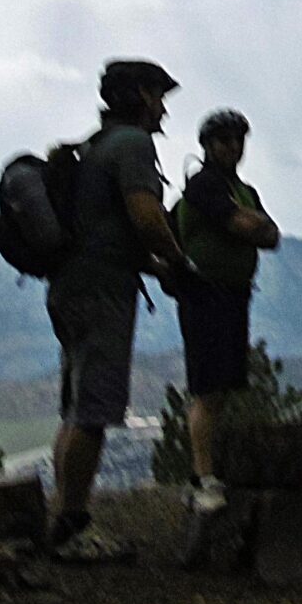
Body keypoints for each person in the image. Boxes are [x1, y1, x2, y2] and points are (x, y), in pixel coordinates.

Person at [47, 57, 192, 557]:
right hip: (102, 291)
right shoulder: (132, 145)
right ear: (139, 96)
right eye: (158, 97)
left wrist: (155, 267)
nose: (163, 111)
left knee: (75, 408)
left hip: (71, 285)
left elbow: (110, 233)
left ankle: (64, 520)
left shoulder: (94, 146)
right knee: (94, 410)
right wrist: (179, 263)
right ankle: (73, 528)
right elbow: (146, 218)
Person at [170, 108, 281, 514]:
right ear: (207, 145)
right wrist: (252, 224)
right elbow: (251, 228)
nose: (233, 148)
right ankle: (203, 478)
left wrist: (253, 224)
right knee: (207, 387)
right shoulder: (203, 186)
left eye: (238, 140)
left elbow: (270, 234)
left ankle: (211, 471)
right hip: (204, 295)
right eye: (223, 140)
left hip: (234, 295)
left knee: (222, 389)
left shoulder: (242, 189)